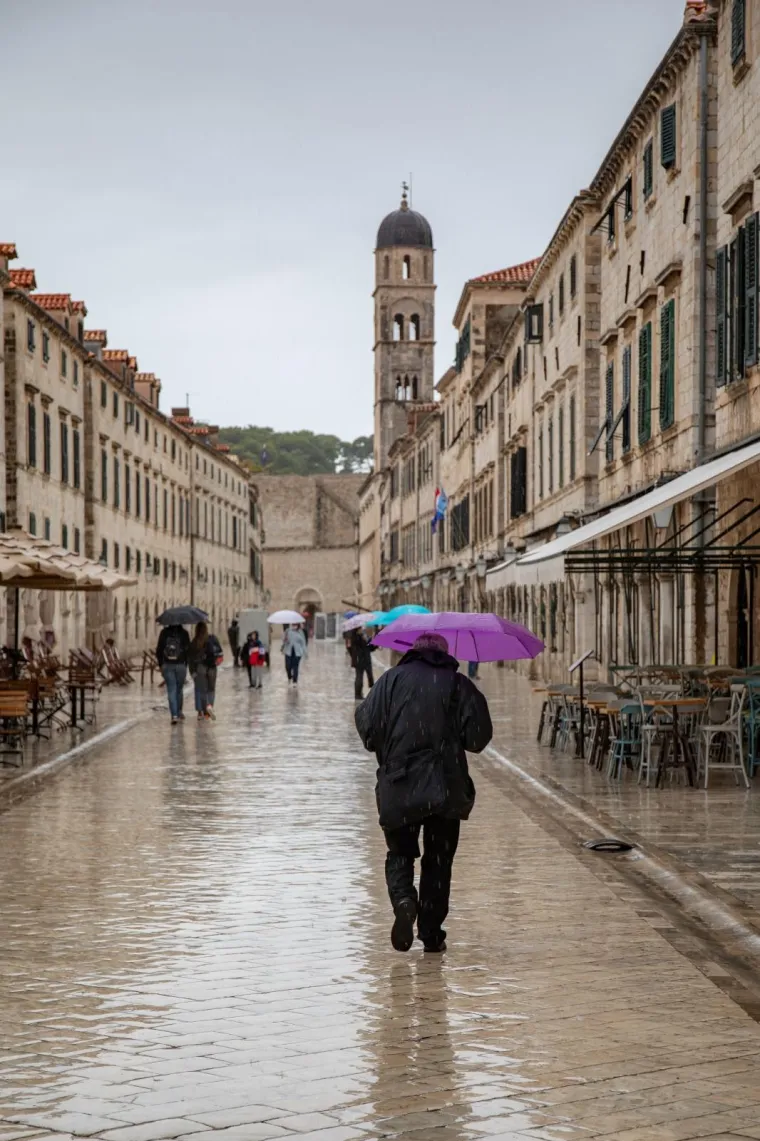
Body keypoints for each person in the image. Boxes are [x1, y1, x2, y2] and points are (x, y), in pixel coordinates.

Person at [355, 631, 492, 954]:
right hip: (445, 786)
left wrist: (394, 745)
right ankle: (431, 933)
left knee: (400, 852)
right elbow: (478, 738)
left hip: (400, 781)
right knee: (438, 860)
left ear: (413, 652)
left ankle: (404, 900)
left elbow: (368, 729)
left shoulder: (389, 681)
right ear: (444, 655)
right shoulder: (458, 685)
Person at [156, 622, 191, 724]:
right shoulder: (184, 633)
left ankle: (174, 715)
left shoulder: (164, 633)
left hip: (167, 665)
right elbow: (188, 650)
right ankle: (179, 712)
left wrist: (161, 664)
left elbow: (159, 650)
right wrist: (186, 664)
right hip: (181, 665)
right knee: (179, 690)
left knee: (171, 690)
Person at [188, 622, 223, 721]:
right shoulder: (212, 638)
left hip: (200, 668)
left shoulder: (195, 642)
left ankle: (201, 711)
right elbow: (220, 653)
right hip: (212, 668)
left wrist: (192, 672)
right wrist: (215, 662)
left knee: (200, 690)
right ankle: (209, 709)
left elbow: (190, 659)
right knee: (211, 689)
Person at [350, 627, 376, 700]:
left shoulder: (364, 635)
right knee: (359, 677)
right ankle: (358, 694)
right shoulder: (355, 636)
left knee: (370, 676)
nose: (362, 629)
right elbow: (353, 646)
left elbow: (370, 648)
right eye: (360, 628)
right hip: (359, 660)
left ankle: (373, 693)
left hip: (367, 659)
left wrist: (374, 643)